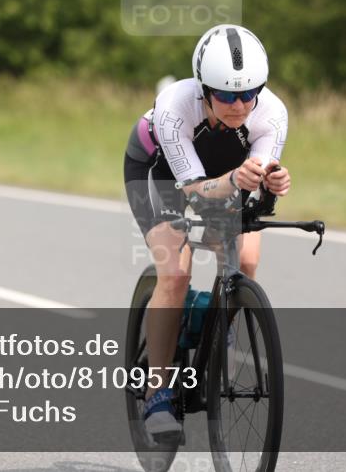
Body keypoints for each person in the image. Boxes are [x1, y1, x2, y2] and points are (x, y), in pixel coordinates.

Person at [123, 24, 291, 437]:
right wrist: (235, 179)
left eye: (248, 93)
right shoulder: (174, 105)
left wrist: (272, 182)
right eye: (226, 95)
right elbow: (196, 192)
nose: (239, 104)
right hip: (159, 173)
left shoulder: (272, 113)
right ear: (203, 89)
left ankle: (215, 337)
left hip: (225, 175)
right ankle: (157, 392)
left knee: (246, 258)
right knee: (176, 273)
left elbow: (252, 183)